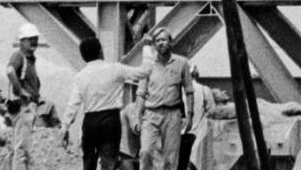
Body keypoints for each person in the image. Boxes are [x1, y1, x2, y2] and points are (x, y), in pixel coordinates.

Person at [59, 36, 147, 170]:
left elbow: (73, 104)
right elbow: (141, 73)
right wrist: (150, 54)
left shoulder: (81, 76)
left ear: (83, 56)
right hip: (110, 121)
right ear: (100, 51)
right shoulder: (115, 69)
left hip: (90, 121)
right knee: (109, 162)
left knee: (89, 162)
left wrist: (65, 127)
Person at [134, 27, 194, 170]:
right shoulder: (148, 65)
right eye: (157, 40)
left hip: (173, 115)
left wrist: (190, 116)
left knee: (171, 157)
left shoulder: (182, 63)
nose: (161, 43)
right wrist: (137, 116)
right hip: (151, 113)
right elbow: (141, 93)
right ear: (154, 44)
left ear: (170, 42)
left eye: (164, 39)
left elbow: (189, 91)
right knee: (145, 151)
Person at [6, 22, 41, 170]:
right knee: (22, 147)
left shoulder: (29, 59)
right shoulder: (19, 56)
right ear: (21, 41)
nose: (33, 41)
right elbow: (9, 71)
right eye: (29, 39)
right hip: (24, 106)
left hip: (28, 105)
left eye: (35, 38)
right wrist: (20, 91)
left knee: (22, 146)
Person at [177, 65, 214, 170]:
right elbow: (212, 111)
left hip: (179, 133)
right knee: (194, 163)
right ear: (196, 75)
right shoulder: (204, 90)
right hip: (197, 133)